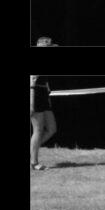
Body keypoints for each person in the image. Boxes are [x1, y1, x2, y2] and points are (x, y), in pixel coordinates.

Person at [30, 36, 58, 170]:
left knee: (52, 129)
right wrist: (31, 104)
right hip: (34, 95)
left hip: (43, 95)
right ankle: (34, 163)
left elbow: (44, 81)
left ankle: (32, 151)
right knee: (38, 129)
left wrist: (47, 91)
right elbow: (31, 84)